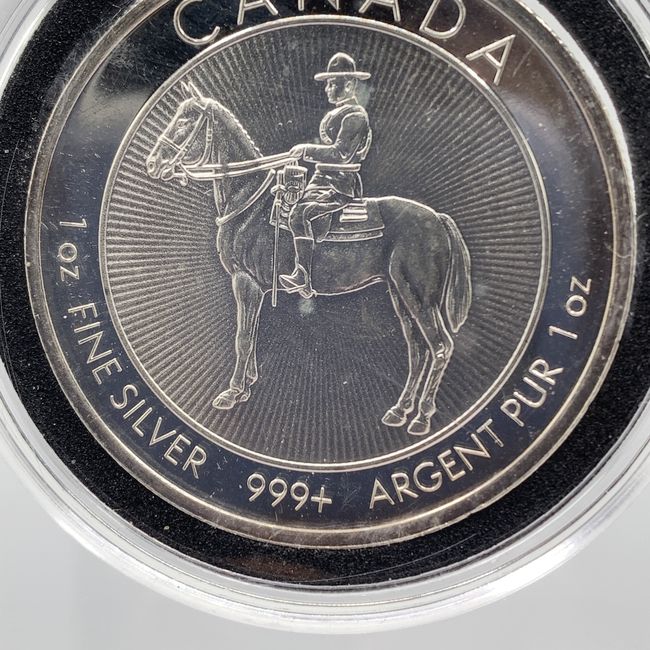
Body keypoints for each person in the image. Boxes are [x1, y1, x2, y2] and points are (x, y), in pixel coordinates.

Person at [279, 52, 372, 297]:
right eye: (328, 84)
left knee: (299, 214)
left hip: (340, 185)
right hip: (321, 181)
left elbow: (341, 154)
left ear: (349, 85)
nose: (327, 89)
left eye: (332, 84)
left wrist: (306, 150)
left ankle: (303, 277)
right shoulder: (338, 113)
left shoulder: (355, 116)